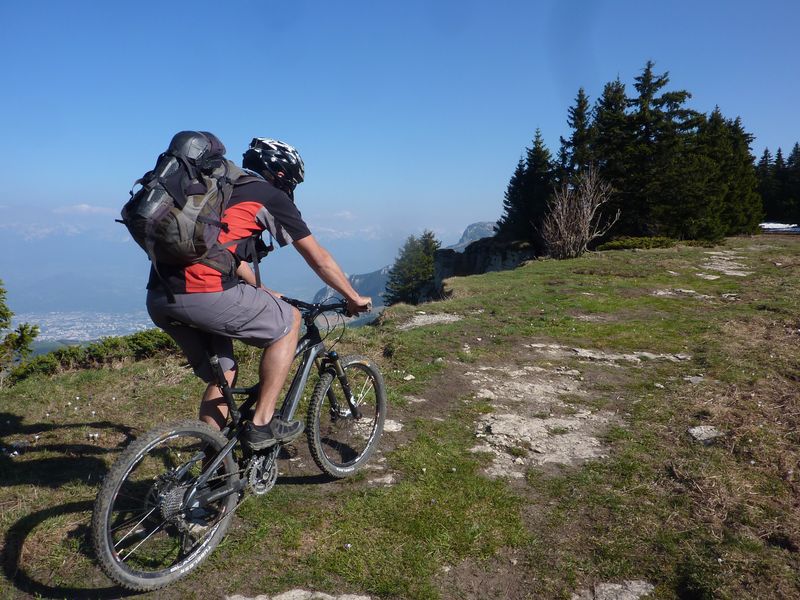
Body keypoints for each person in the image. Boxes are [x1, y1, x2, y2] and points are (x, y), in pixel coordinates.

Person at [146, 136, 372, 451]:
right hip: (204, 293)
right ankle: (262, 425)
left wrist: (262, 291)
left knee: (223, 372)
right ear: (281, 174)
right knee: (289, 322)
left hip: (160, 294)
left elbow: (222, 253)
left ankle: (208, 463)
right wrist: (352, 295)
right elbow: (317, 256)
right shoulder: (270, 196)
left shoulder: (218, 190)